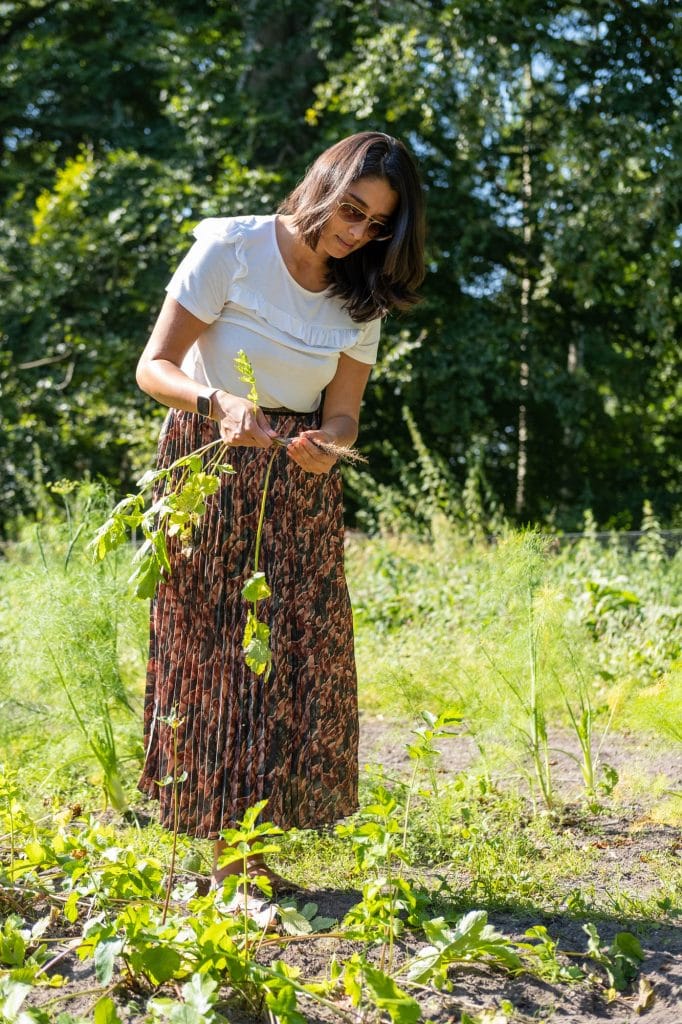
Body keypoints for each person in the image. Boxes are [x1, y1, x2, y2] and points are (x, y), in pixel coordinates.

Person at [135, 131, 426, 892]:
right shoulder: (230, 249)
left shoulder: (361, 296)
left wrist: (329, 444)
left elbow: (345, 415)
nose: (357, 231)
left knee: (289, 660)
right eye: (352, 209)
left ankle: (253, 851)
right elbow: (153, 368)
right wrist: (220, 399)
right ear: (324, 182)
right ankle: (226, 859)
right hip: (208, 462)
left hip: (298, 485)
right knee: (218, 653)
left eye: (375, 225)